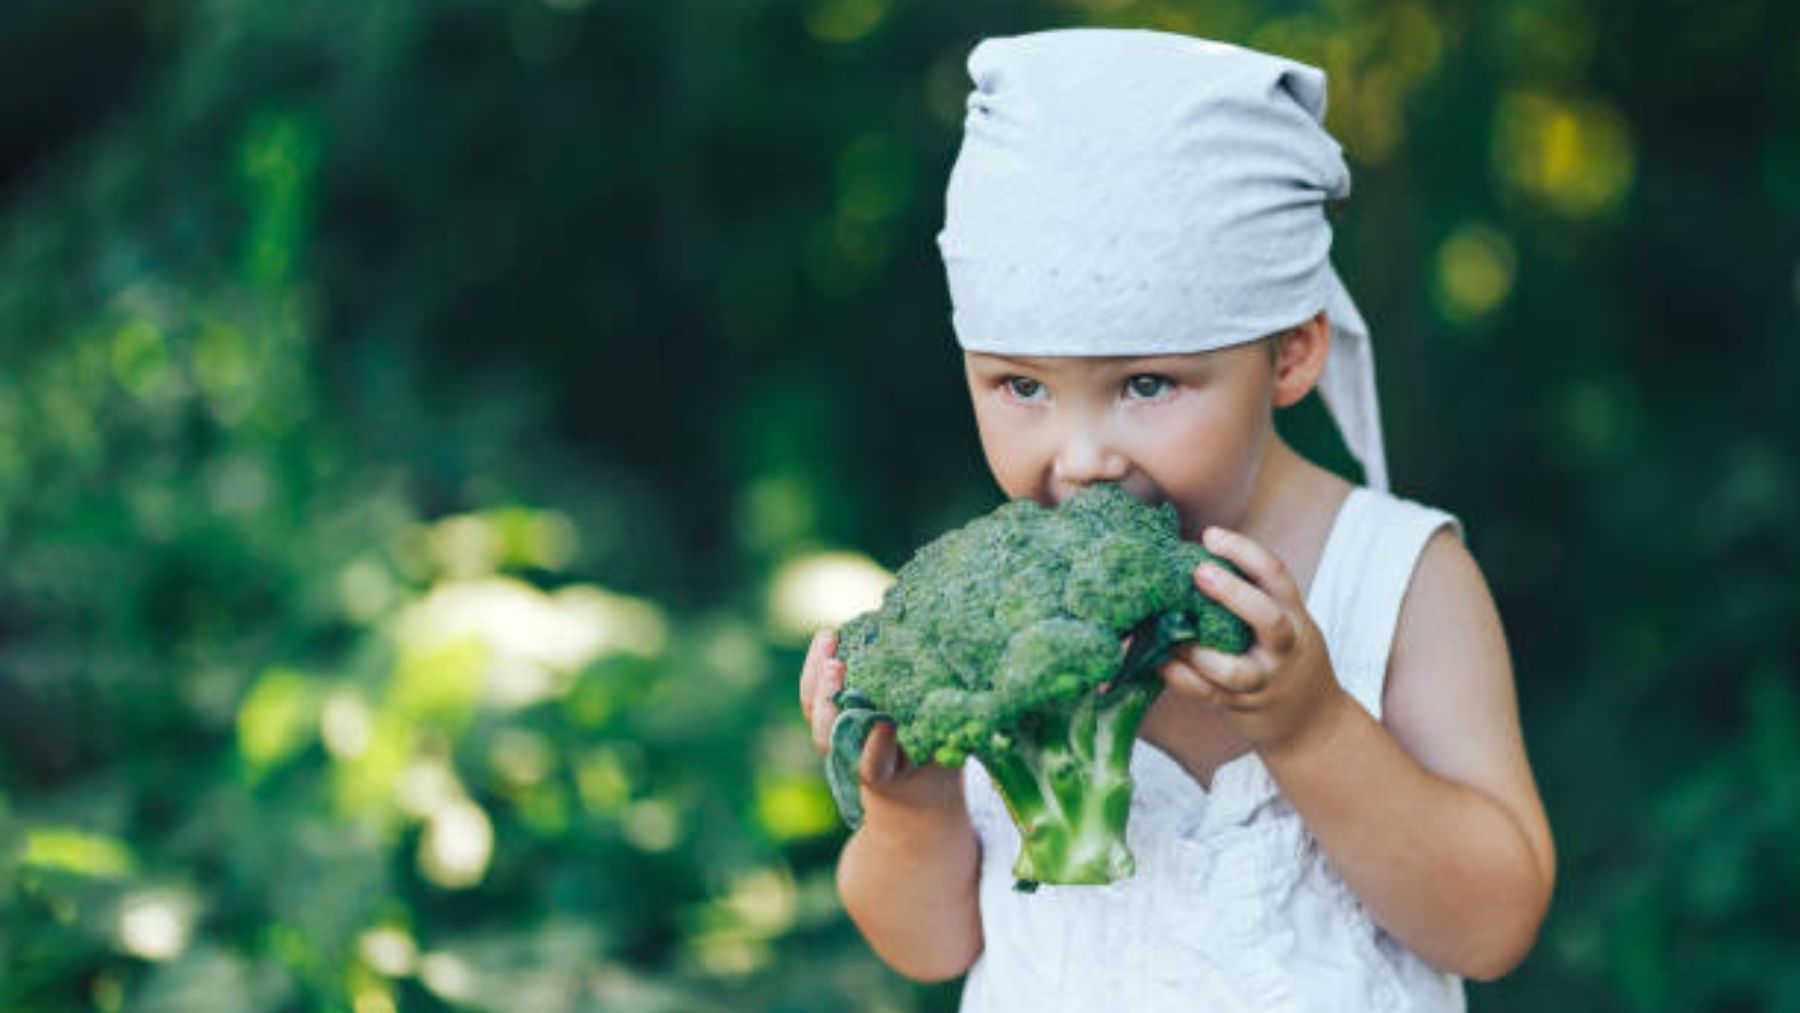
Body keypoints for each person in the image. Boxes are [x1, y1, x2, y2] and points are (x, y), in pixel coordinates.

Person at [798, 27, 1554, 1011]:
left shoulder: (1399, 577)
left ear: (1289, 354)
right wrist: (906, 805)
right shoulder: (986, 618)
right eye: (1020, 383)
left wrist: (1316, 727)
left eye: (1147, 383)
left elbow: (1491, 925)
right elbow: (930, 947)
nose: (1080, 456)